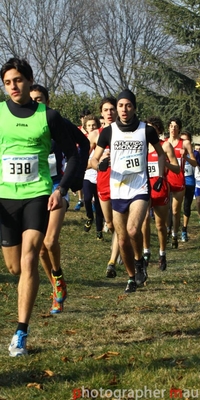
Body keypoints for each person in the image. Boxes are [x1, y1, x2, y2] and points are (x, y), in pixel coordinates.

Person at [0, 58, 79, 356]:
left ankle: (21, 331)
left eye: (18, 80)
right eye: (8, 82)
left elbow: (73, 155)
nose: (13, 87)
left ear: (30, 80)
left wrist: (60, 189)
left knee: (30, 257)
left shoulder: (49, 116)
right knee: (13, 265)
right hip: (5, 196)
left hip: (38, 194)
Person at [91, 89, 166, 293]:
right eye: (121, 106)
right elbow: (93, 159)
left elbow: (160, 155)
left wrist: (160, 176)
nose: (124, 109)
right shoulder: (108, 132)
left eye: (128, 105)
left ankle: (140, 260)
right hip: (117, 189)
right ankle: (132, 277)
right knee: (122, 239)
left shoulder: (146, 130)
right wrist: (100, 165)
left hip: (140, 186)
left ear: (134, 107)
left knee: (133, 230)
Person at [29, 84, 89, 314]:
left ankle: (57, 277)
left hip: (56, 186)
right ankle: (57, 286)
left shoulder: (56, 121)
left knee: (49, 241)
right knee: (40, 249)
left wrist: (75, 176)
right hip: (33, 188)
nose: (36, 103)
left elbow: (82, 144)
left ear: (47, 101)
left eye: (40, 99)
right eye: (33, 99)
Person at [142, 116, 180, 271]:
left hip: (160, 188)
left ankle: (162, 253)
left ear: (158, 130)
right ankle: (146, 252)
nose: (148, 131)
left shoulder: (165, 146)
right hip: (144, 187)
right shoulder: (142, 146)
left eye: (152, 128)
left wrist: (166, 165)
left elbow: (177, 169)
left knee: (160, 225)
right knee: (144, 220)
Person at [91, 97, 121, 277]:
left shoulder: (124, 132)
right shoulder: (96, 135)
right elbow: (88, 161)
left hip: (121, 183)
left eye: (112, 109)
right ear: (101, 113)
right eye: (106, 110)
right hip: (103, 182)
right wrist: (99, 162)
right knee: (109, 223)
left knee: (119, 224)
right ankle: (119, 243)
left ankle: (112, 261)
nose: (109, 113)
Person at [166, 117, 197, 249]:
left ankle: (174, 234)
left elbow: (195, 163)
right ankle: (167, 230)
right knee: (165, 209)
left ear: (179, 128)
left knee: (175, 210)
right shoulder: (163, 143)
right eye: (171, 126)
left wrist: (185, 157)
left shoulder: (185, 143)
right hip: (166, 179)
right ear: (168, 128)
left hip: (179, 179)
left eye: (176, 126)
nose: (173, 128)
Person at [82, 114, 104, 240]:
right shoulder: (84, 141)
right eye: (89, 125)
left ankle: (99, 231)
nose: (91, 127)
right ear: (85, 127)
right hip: (88, 175)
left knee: (99, 205)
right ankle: (89, 216)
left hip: (100, 175)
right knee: (87, 198)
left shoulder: (100, 139)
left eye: (93, 125)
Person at [180, 132, 200, 242]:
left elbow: (198, 164)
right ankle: (171, 228)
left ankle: (184, 230)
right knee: (173, 208)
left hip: (189, 182)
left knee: (186, 206)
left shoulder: (193, 153)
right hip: (178, 182)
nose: (184, 142)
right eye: (182, 140)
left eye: (186, 140)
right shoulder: (175, 151)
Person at [74, 108, 91, 211]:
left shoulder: (93, 130)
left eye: (87, 118)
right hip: (79, 156)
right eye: (83, 118)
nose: (85, 120)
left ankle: (92, 200)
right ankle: (81, 199)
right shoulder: (77, 129)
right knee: (80, 176)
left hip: (91, 157)